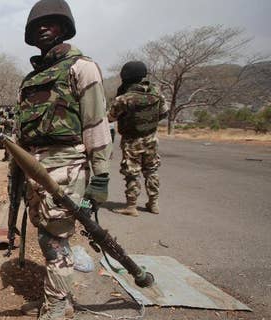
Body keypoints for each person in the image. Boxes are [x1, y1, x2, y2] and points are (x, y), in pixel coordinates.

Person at [13, 1, 112, 318]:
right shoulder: (29, 81)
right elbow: (21, 135)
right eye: (37, 25)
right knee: (45, 232)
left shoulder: (81, 68)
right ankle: (59, 297)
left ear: (64, 27)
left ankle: (57, 305)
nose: (43, 27)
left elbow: (96, 125)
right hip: (35, 167)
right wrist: (17, 173)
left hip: (68, 165)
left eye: (52, 22)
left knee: (55, 237)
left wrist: (100, 179)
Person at [108, 61, 168, 216]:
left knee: (132, 173)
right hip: (151, 139)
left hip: (131, 141)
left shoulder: (125, 98)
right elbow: (163, 113)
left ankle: (131, 206)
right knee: (151, 170)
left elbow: (110, 117)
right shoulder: (157, 93)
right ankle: (153, 204)